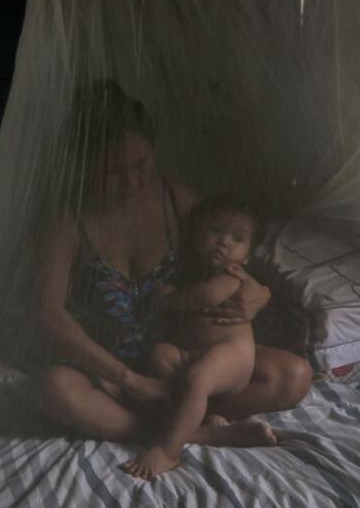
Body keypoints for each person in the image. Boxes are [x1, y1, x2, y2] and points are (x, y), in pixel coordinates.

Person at [32, 80, 312, 453]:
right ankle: (197, 433)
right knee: (53, 389)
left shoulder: (172, 196)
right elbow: (47, 313)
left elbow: (225, 252)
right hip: (116, 364)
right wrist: (129, 379)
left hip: (186, 356)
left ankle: (179, 418)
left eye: (141, 164)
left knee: (293, 376)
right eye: (114, 172)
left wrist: (256, 290)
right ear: (85, 165)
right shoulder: (69, 220)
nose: (132, 181)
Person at [121, 194, 278, 479]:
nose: (224, 242)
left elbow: (203, 298)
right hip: (195, 352)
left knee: (198, 378)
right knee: (161, 356)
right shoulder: (191, 273)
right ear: (197, 235)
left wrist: (168, 299)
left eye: (237, 238)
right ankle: (207, 424)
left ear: (246, 257)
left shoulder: (233, 276)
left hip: (232, 356)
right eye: (215, 231)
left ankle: (168, 452)